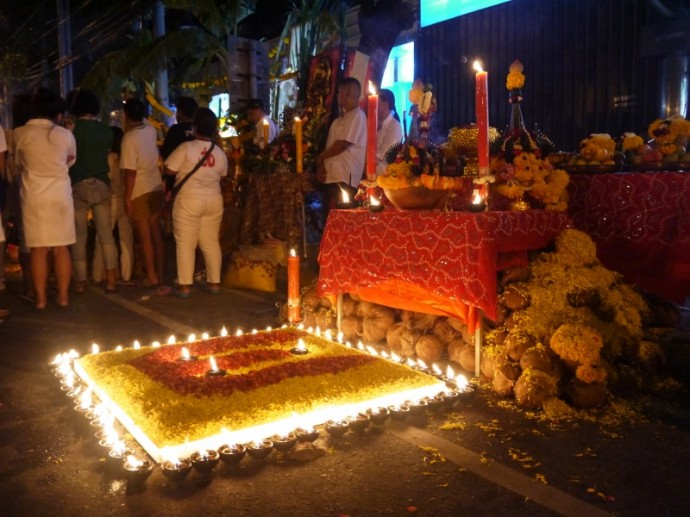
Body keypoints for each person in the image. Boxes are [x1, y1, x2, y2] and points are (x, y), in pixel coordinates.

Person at [14, 88, 76, 310]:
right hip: (60, 195)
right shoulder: (65, 135)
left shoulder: (19, 134)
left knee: (38, 249)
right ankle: (63, 297)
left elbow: (17, 165)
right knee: (61, 248)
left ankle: (40, 300)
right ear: (58, 114)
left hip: (34, 196)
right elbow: (70, 160)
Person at [164, 108, 227, 298]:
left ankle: (184, 286)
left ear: (195, 127)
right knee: (210, 242)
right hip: (214, 200)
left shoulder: (186, 148)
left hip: (189, 200)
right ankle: (214, 282)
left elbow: (169, 170)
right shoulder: (220, 152)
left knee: (185, 243)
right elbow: (223, 175)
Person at [66, 88, 118, 293]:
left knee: (79, 236)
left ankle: (80, 282)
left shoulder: (72, 130)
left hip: (78, 184)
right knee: (106, 235)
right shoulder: (105, 130)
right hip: (102, 184)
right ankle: (112, 279)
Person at [120, 98, 165, 289]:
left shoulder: (129, 139)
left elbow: (130, 172)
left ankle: (152, 276)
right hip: (155, 186)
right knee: (156, 233)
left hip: (139, 189)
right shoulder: (150, 130)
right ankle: (160, 273)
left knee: (145, 236)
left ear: (126, 115)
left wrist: (127, 197)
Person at [315, 77, 367, 207]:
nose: (338, 95)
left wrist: (321, 157)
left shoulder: (358, 116)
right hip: (331, 176)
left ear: (348, 93)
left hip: (344, 177)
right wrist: (322, 164)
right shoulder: (338, 120)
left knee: (342, 218)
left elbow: (342, 144)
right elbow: (330, 146)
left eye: (340, 92)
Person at [92, 127, 134, 284]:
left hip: (107, 201)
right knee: (126, 240)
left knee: (102, 238)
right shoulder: (126, 157)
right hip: (124, 200)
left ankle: (98, 274)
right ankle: (126, 274)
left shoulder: (105, 158)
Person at [375, 89, 403, 176]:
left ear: (386, 104)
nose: (372, 106)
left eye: (376, 102)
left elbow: (384, 155)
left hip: (384, 176)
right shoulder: (377, 123)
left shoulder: (394, 126)